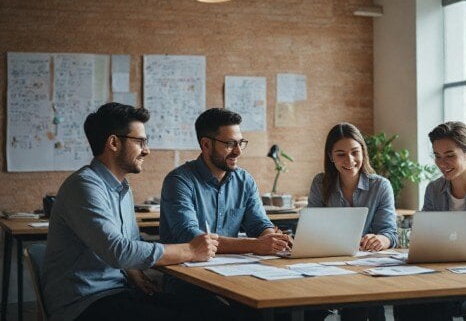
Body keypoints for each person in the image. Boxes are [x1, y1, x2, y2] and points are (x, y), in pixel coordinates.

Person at [42, 103, 219, 321]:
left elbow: (130, 242)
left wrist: (135, 274)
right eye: (140, 141)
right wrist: (191, 250)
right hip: (84, 304)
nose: (147, 150)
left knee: (212, 308)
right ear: (114, 143)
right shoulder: (84, 186)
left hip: (118, 292)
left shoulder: (122, 188)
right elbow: (119, 251)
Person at [160, 108, 291, 299]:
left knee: (280, 305)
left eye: (240, 143)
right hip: (189, 282)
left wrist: (273, 241)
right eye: (230, 144)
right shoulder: (179, 181)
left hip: (236, 274)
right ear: (206, 144)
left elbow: (259, 224)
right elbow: (193, 238)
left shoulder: (244, 180)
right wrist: (256, 245)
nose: (238, 151)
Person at [394, 121, 466, 321]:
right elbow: (425, 231)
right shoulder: (433, 189)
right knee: (406, 302)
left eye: (450, 156)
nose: (442, 163)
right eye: (437, 156)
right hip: (439, 271)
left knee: (435, 303)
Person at [307, 122, 398, 321]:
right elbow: (312, 231)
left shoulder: (380, 186)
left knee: (360, 308)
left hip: (365, 267)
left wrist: (381, 240)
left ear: (363, 153)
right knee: (306, 308)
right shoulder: (320, 184)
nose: (349, 160)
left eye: (355, 152)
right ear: (330, 156)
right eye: (340, 154)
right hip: (327, 266)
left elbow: (390, 233)